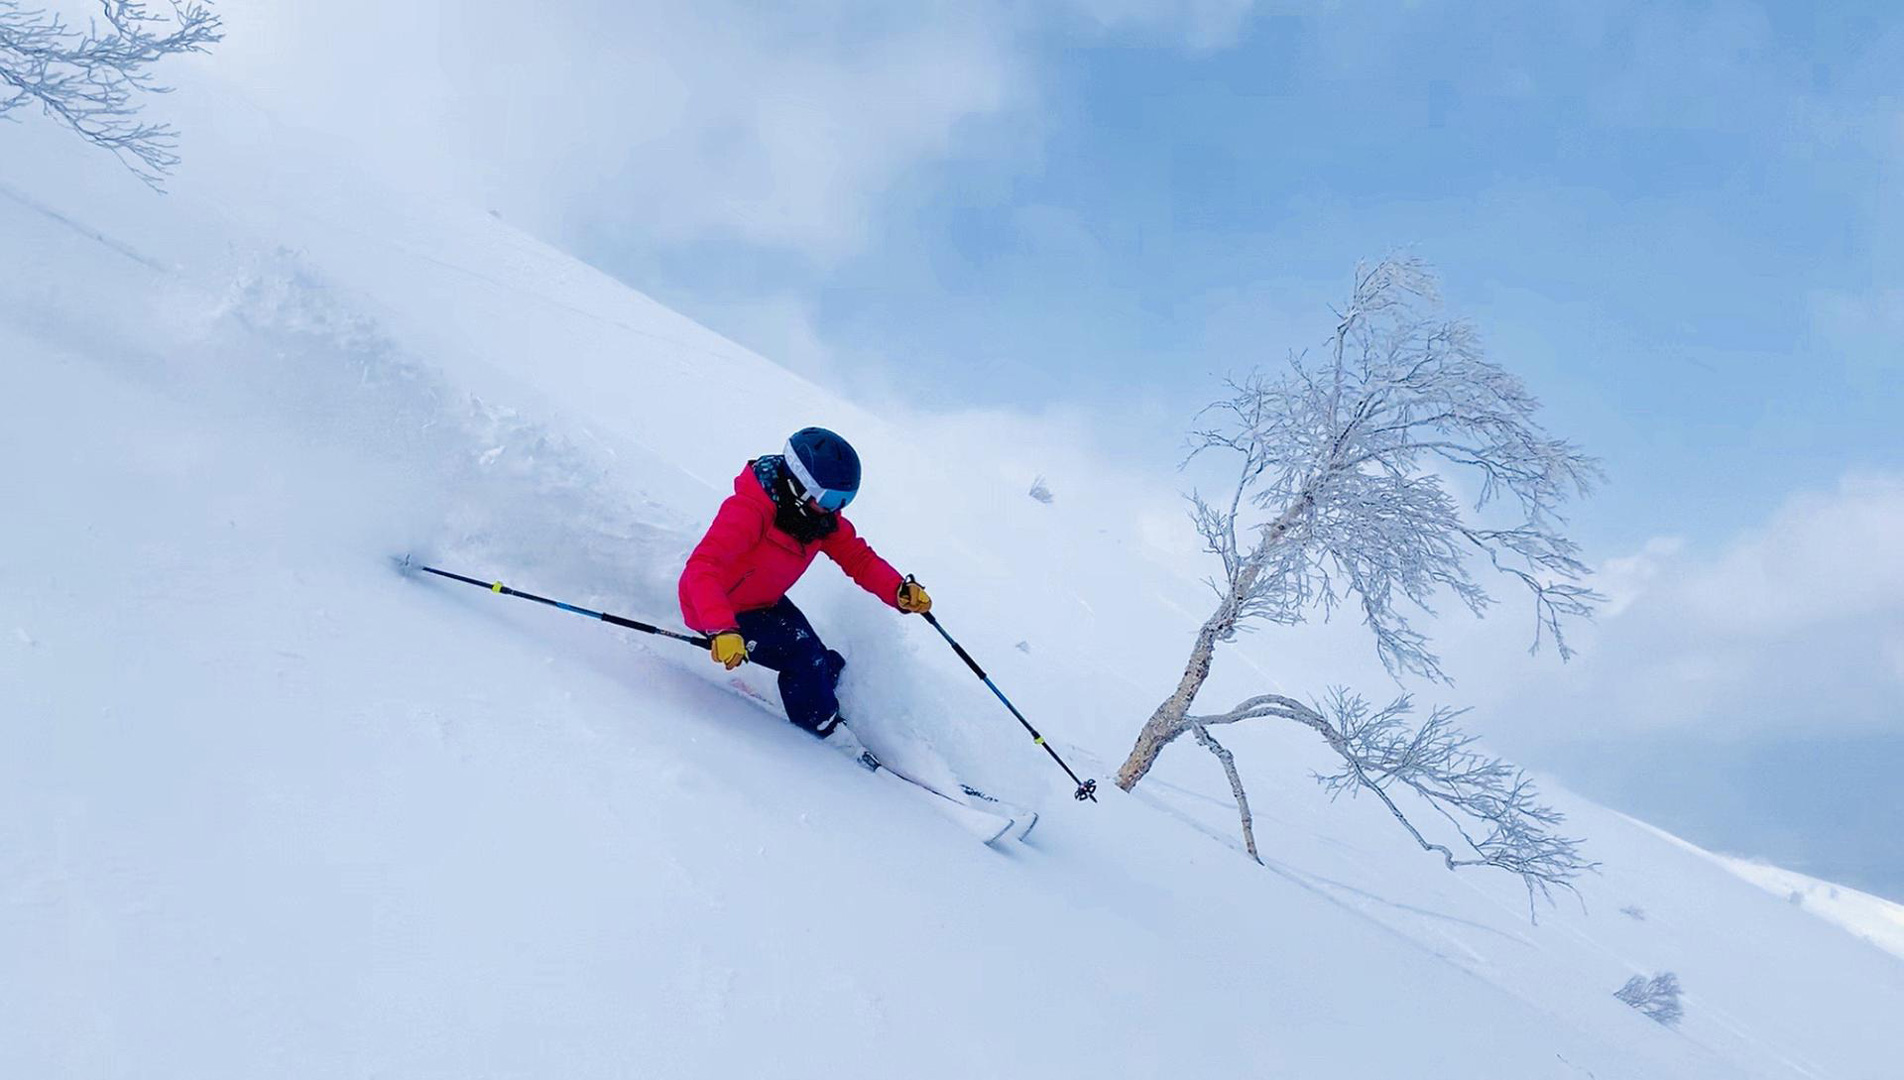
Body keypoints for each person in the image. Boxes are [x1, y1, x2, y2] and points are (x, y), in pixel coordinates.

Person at [678, 427, 931, 739]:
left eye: (845, 500)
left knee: (820, 660)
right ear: (799, 484)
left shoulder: (819, 519)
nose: (836, 507)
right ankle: (823, 732)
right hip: (717, 610)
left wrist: (898, 590)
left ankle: (829, 702)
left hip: (763, 602)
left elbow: (859, 559)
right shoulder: (749, 510)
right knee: (803, 655)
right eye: (831, 498)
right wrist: (722, 628)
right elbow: (702, 567)